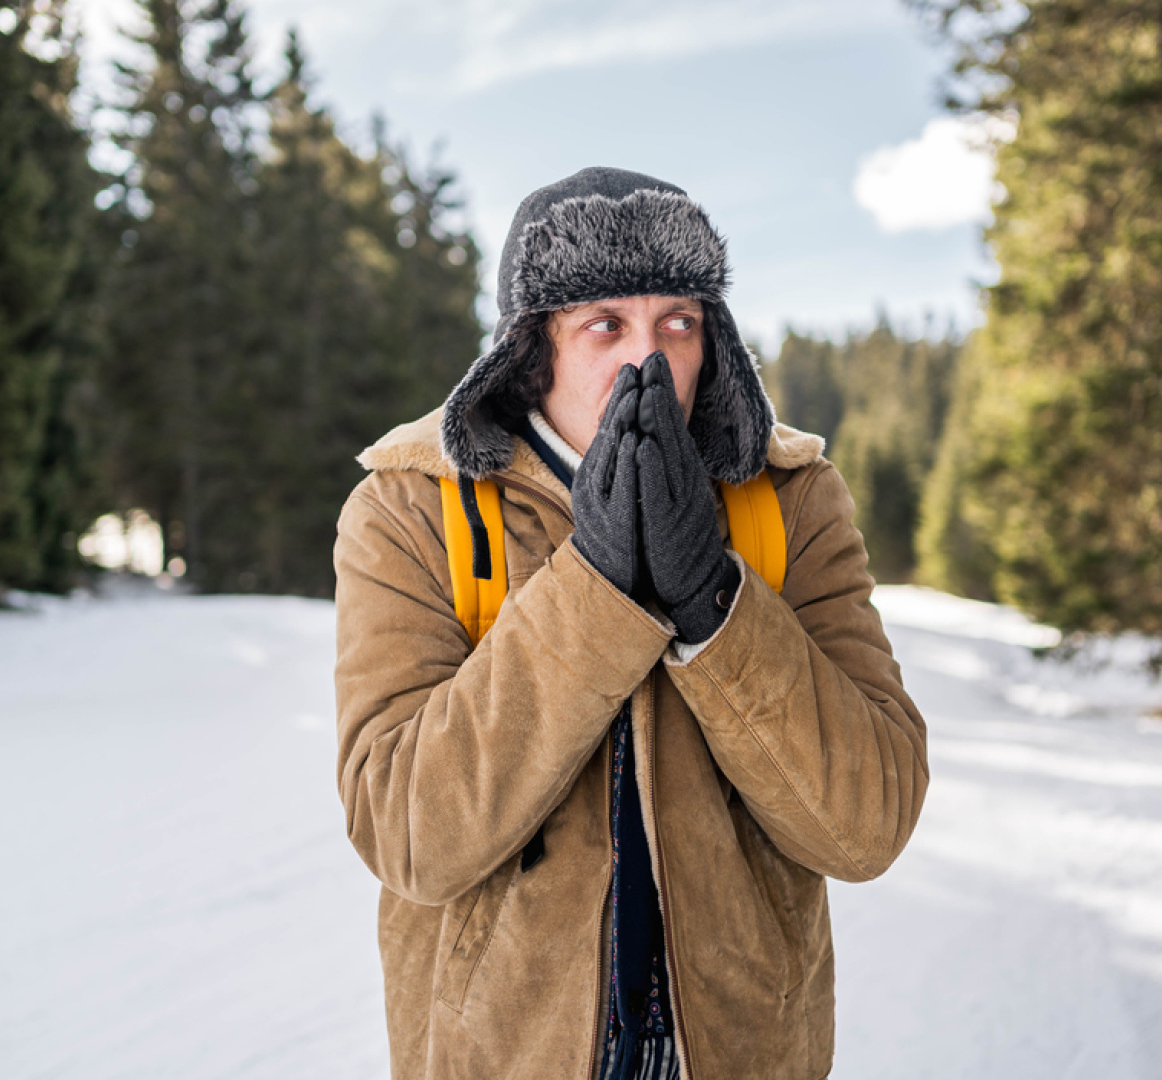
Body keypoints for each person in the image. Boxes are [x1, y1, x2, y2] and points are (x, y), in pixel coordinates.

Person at [333, 167, 929, 1080]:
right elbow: (409, 834)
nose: (645, 361)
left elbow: (868, 823)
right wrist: (595, 588)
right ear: (533, 351)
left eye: (677, 324)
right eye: (603, 325)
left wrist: (715, 607)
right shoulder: (410, 508)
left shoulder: (793, 500)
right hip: (503, 1050)